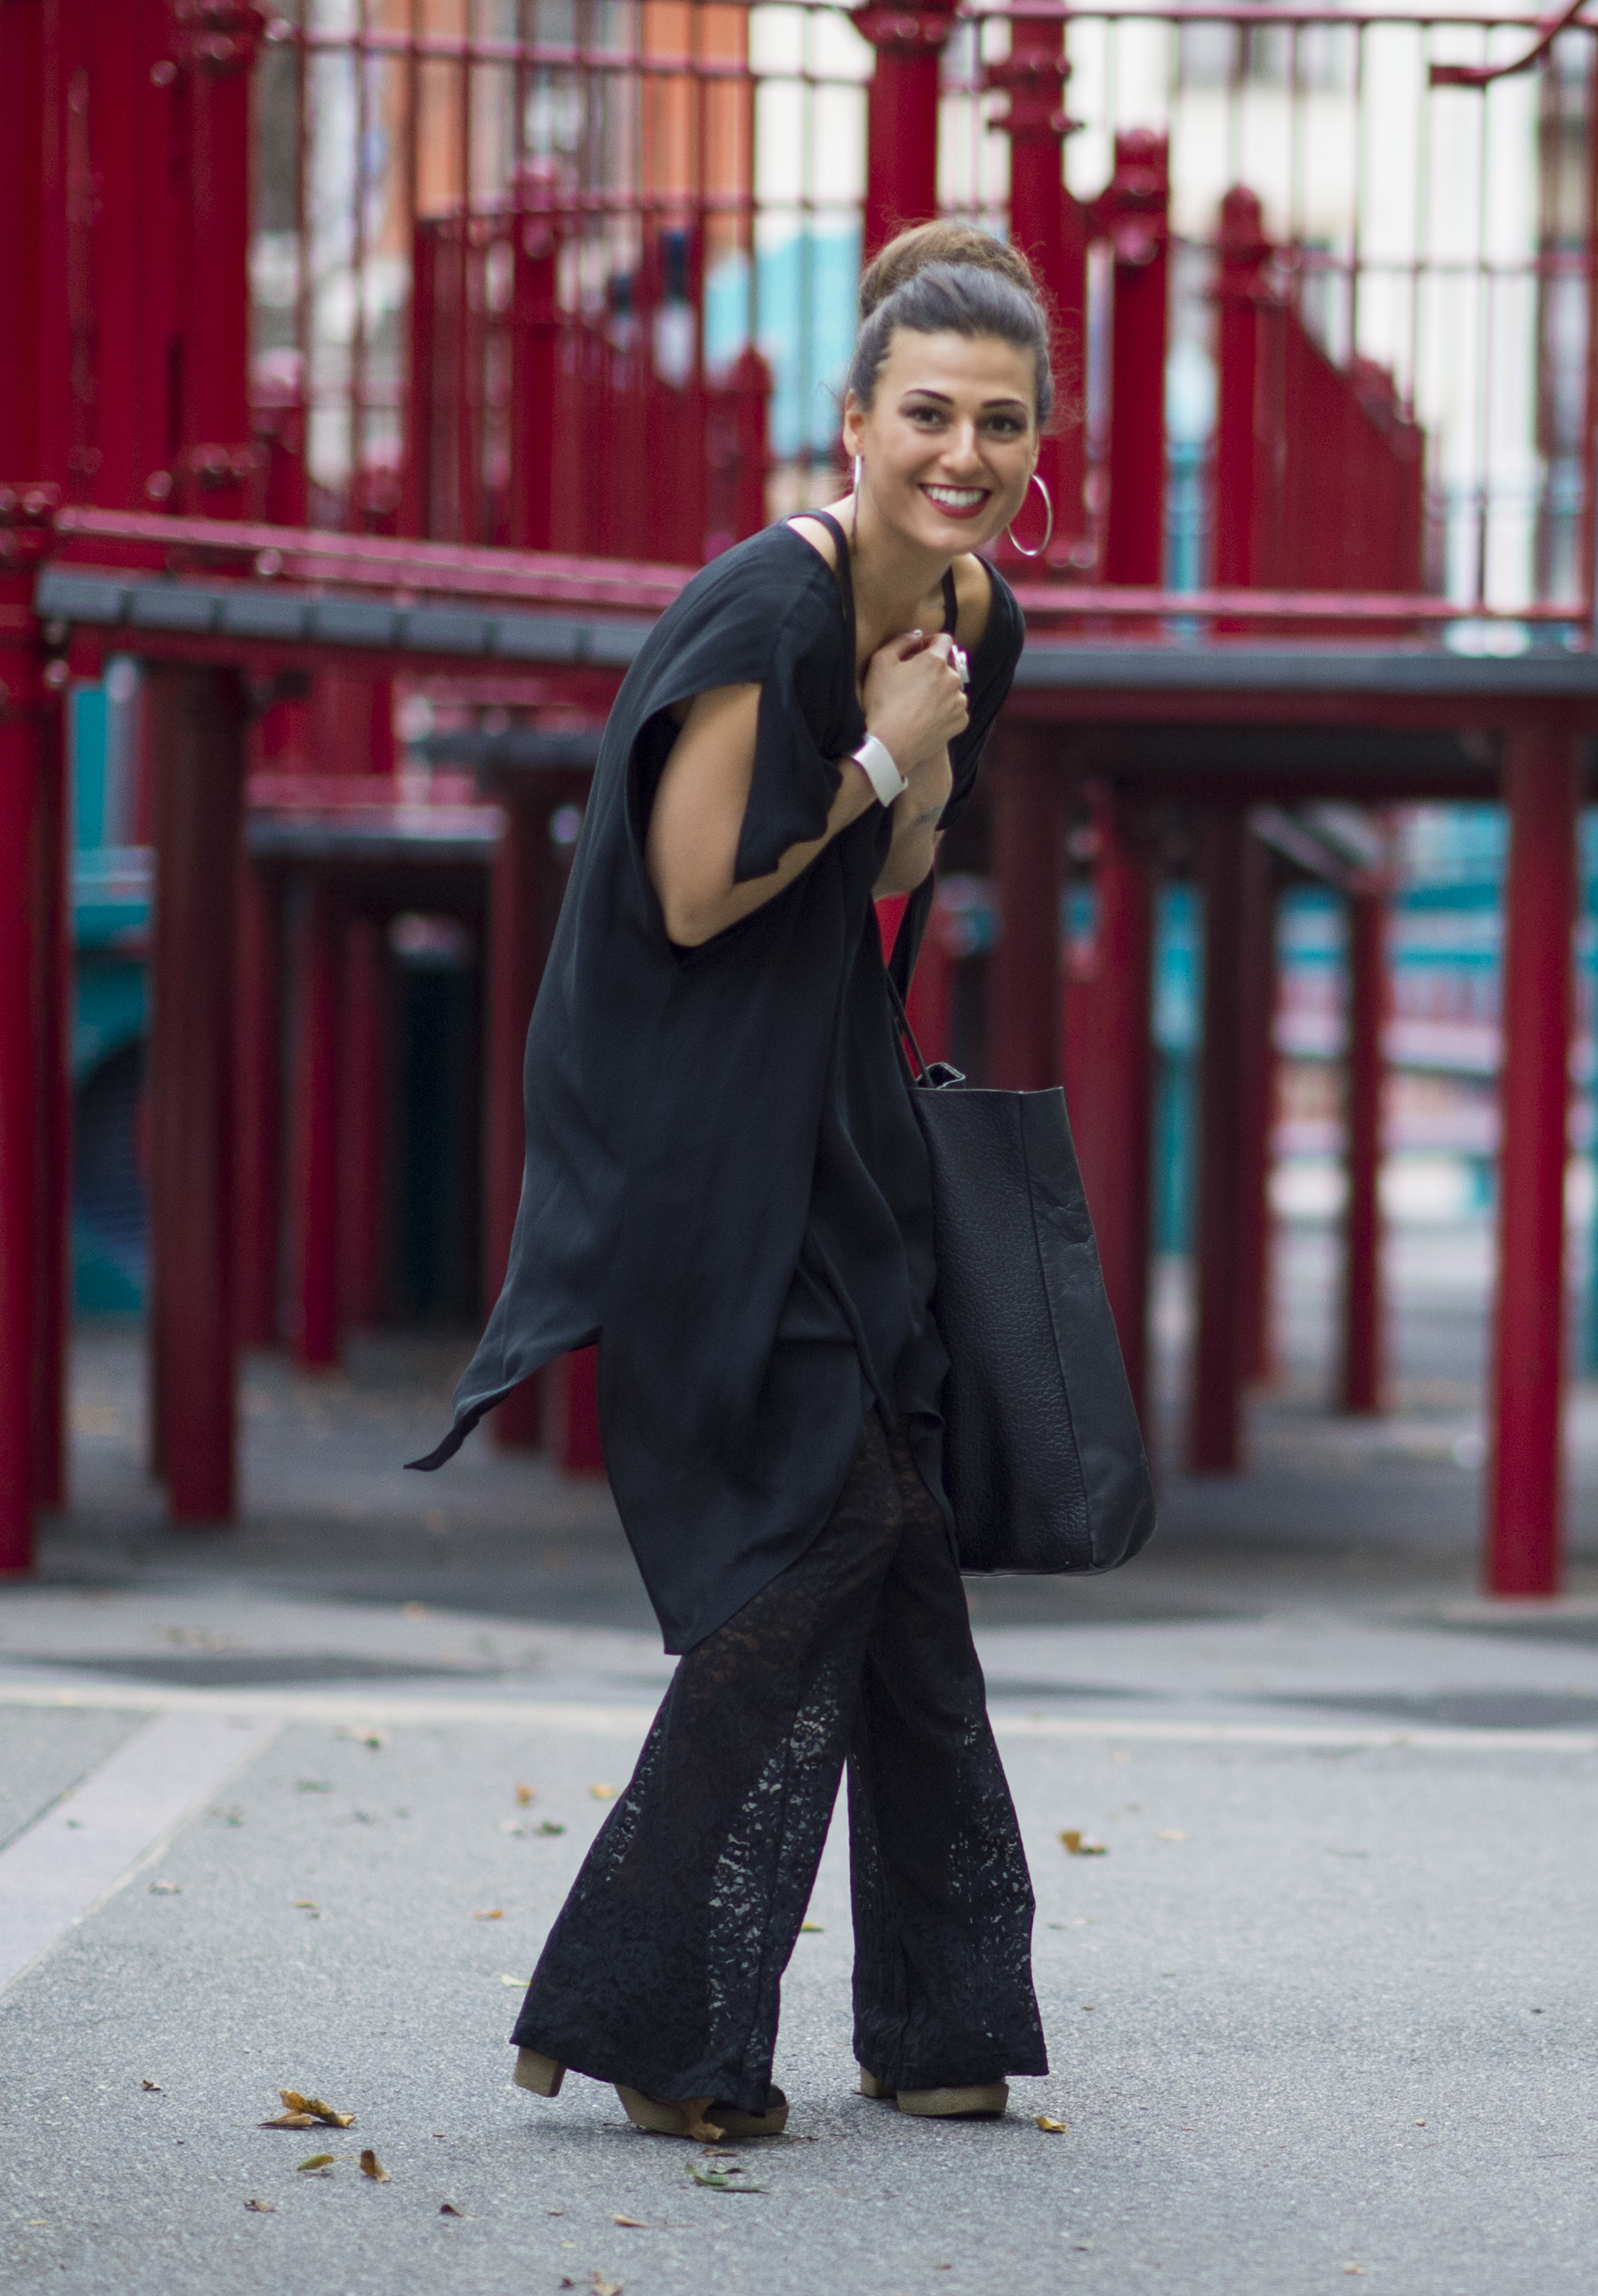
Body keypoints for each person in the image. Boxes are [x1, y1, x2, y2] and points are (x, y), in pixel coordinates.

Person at [414, 219, 1057, 2141]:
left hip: (833, 1111)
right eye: (928, 414)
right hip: (689, 1125)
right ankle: (646, 2008)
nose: (966, 451)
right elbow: (702, 896)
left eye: (1003, 423)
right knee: (823, 1538)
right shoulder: (760, 614)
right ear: (851, 423)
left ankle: (943, 2020)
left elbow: (875, 898)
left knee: (903, 1538)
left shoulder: (977, 620)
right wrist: (877, 753)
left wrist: (919, 754)